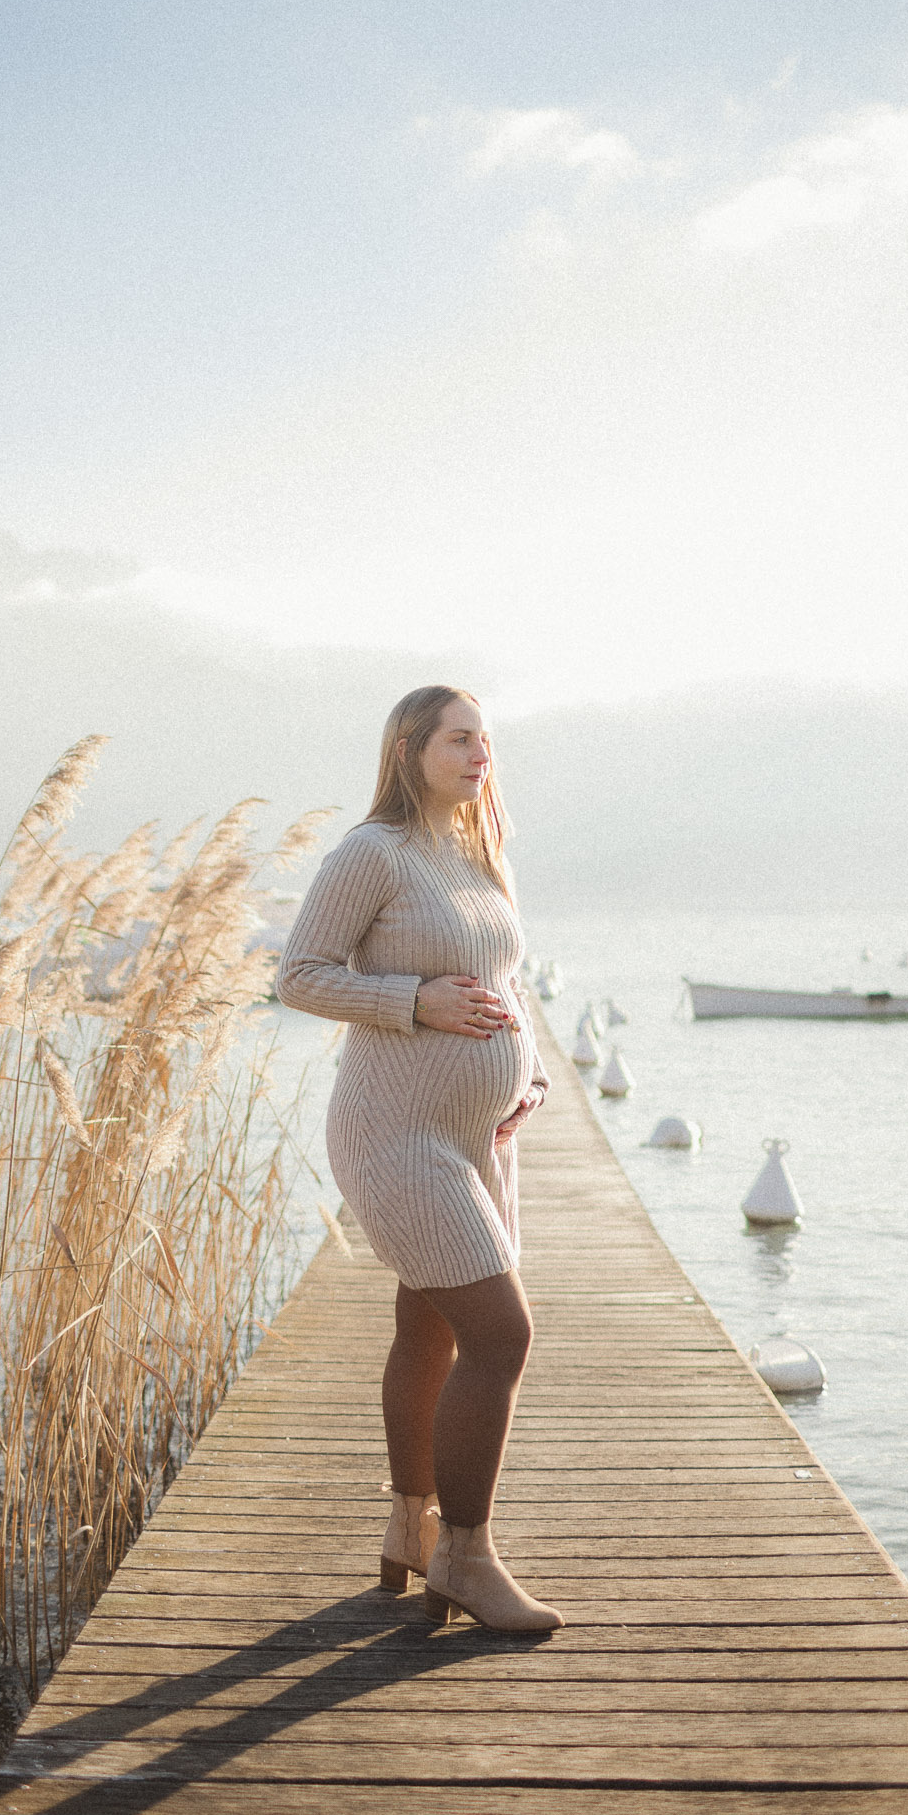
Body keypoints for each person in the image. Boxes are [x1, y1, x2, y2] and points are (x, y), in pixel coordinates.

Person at [276, 685, 563, 1632]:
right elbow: (301, 975)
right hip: (395, 1133)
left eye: (487, 738)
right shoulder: (373, 853)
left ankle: (410, 1524)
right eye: (459, 738)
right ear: (409, 749)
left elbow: (505, 983)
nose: (481, 753)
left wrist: (528, 1076)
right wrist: (413, 1002)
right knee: (500, 1335)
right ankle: (465, 1559)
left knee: (430, 1333)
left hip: (478, 1139)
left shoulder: (482, 856)